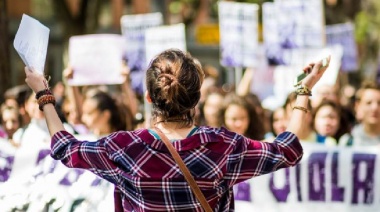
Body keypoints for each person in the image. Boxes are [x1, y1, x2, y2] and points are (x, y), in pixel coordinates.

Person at [24, 49, 330, 211]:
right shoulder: (223, 146)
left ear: (147, 97)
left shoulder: (123, 148)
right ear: (197, 100)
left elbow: (64, 147)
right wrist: (304, 90)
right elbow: (287, 149)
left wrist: (44, 95)